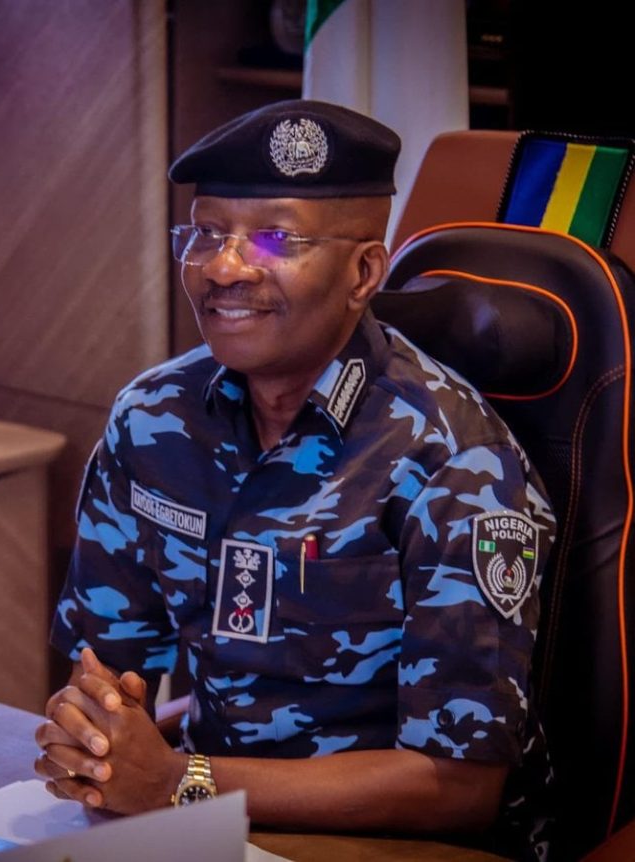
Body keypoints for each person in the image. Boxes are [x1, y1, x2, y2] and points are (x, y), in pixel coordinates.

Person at [35, 99, 555, 860]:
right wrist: (93, 737)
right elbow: (103, 673)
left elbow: (459, 788)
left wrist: (181, 782)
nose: (224, 267)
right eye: (206, 232)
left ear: (363, 272)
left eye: (275, 239)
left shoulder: (454, 461)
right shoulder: (152, 419)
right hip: (214, 817)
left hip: (409, 839)